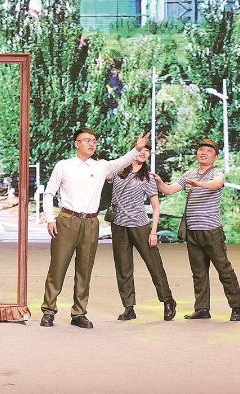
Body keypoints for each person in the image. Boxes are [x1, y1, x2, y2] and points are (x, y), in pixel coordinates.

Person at [40, 128, 150, 329]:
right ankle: (48, 311)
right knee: (58, 267)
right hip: (67, 219)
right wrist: (49, 218)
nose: (92, 144)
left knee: (85, 269)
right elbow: (49, 193)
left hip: (91, 222)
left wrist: (137, 149)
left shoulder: (101, 167)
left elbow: (122, 161)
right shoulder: (64, 165)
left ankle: (79, 313)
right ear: (77, 144)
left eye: (94, 141)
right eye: (87, 140)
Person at [153, 139, 240, 322]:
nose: (203, 153)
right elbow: (169, 190)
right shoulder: (189, 174)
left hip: (211, 230)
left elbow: (217, 184)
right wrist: (159, 182)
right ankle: (202, 308)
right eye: (201, 149)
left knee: (224, 269)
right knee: (198, 271)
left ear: (215, 157)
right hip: (193, 231)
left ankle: (236, 307)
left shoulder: (217, 173)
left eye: (208, 151)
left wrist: (199, 184)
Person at [107, 143, 176, 321]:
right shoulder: (118, 173)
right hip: (119, 226)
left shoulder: (148, 178)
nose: (144, 153)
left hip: (140, 226)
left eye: (147, 151)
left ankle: (168, 300)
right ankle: (128, 307)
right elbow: (104, 173)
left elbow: (155, 206)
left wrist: (153, 232)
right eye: (141, 150)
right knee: (123, 267)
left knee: (154, 264)